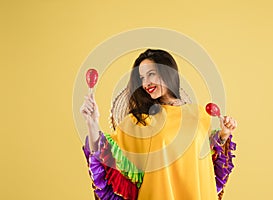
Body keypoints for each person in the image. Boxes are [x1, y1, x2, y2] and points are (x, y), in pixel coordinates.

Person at [80, 49, 237, 200]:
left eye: (151, 74)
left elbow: (210, 162)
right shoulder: (139, 121)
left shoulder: (200, 114)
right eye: (142, 78)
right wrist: (92, 122)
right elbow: (105, 156)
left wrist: (224, 134)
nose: (146, 83)